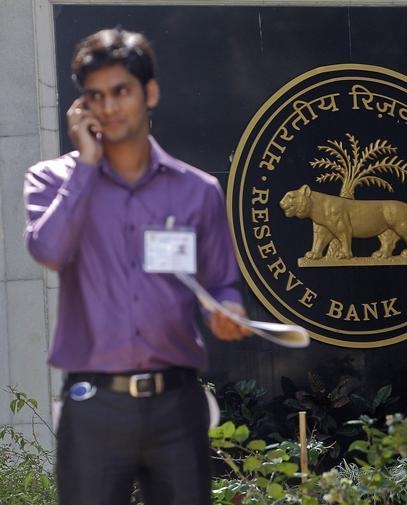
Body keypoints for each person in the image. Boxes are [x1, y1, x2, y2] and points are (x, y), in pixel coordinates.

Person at [24, 28, 251, 505]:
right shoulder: (51, 180)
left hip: (177, 403)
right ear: (82, 105)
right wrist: (85, 167)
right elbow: (49, 251)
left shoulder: (198, 190)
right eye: (95, 96)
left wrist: (227, 312)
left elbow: (222, 282)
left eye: (121, 91)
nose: (109, 107)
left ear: (150, 93)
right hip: (94, 404)